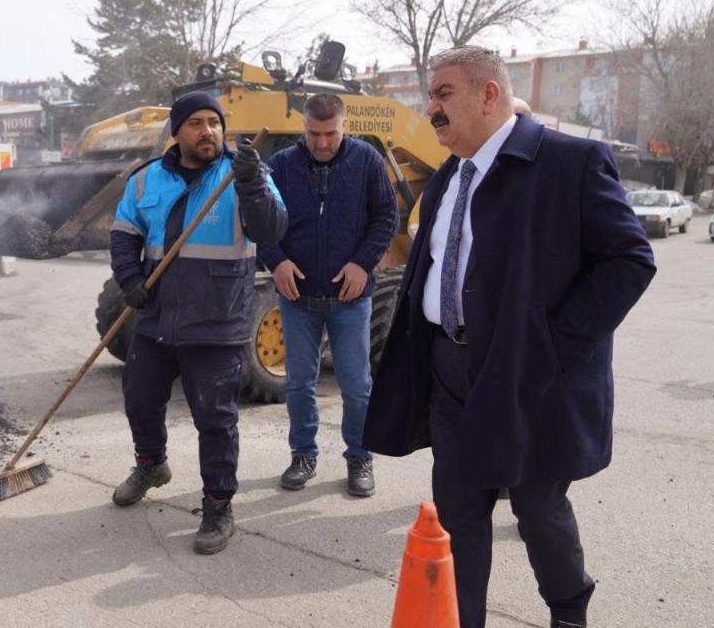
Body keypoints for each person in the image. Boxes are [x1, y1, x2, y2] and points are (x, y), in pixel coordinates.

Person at [363, 46, 655, 628]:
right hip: (453, 371)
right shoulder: (449, 176)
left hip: (533, 376)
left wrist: (554, 344)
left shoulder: (570, 162)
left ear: (489, 94)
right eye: (431, 96)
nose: (432, 109)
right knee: (459, 511)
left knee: (538, 507)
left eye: (444, 93)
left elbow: (628, 260)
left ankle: (569, 609)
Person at [109, 91, 286, 555]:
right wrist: (130, 278)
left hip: (216, 321)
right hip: (156, 317)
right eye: (195, 123)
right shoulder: (145, 181)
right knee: (139, 400)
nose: (207, 131)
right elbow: (124, 235)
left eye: (214, 122)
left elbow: (271, 231)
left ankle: (219, 506)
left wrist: (250, 184)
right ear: (176, 131)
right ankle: (151, 464)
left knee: (215, 420)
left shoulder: (246, 175)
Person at [258, 93, 397, 495]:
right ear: (303, 127)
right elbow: (260, 221)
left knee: (357, 386)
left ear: (345, 126)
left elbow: (388, 216)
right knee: (299, 383)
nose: (321, 143)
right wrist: (277, 261)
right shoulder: (282, 165)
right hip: (297, 298)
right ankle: (303, 454)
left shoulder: (367, 161)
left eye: (330, 133)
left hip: (351, 299)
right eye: (314, 133)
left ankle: (360, 457)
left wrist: (363, 263)